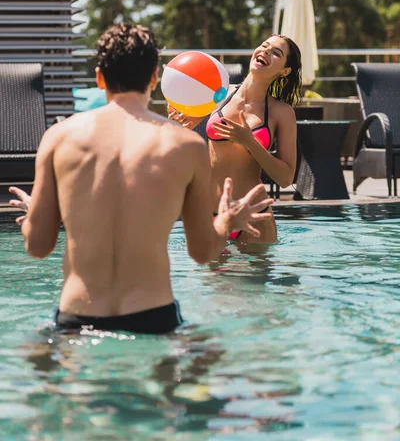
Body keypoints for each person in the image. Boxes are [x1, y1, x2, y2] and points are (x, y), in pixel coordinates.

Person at [9, 23, 273, 335]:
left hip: (76, 320)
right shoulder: (185, 145)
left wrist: (31, 217)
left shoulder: (58, 137)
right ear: (153, 78)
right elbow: (202, 252)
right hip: (153, 317)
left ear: (99, 77)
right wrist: (227, 222)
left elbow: (39, 246)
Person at [169, 34, 302, 244]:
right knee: (210, 278)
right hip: (210, 214)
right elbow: (183, 137)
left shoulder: (281, 113)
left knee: (253, 279)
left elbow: (285, 179)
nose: (266, 51)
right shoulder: (218, 95)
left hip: (253, 216)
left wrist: (249, 141)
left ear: (284, 71)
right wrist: (177, 127)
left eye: (276, 53)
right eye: (264, 46)